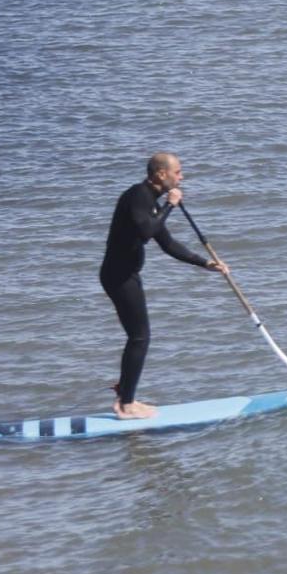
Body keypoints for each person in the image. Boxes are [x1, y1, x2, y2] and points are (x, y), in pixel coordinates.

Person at [100, 153, 223, 419]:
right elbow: (146, 232)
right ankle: (125, 405)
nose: (182, 177)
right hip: (118, 276)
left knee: (139, 336)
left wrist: (205, 264)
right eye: (177, 172)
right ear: (160, 174)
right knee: (140, 337)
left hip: (126, 275)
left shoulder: (150, 203)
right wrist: (170, 206)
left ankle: (126, 393)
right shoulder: (137, 196)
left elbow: (167, 244)